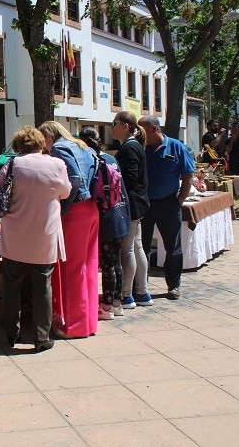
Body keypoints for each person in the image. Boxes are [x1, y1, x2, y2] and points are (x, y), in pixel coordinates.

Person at [0, 126, 71, 352]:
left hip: (14, 236)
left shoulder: (13, 164)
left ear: (19, 145)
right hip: (44, 235)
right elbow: (66, 193)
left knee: (11, 286)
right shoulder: (57, 164)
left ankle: (11, 333)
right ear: (41, 143)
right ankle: (41, 337)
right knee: (43, 284)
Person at [38, 121, 99, 338]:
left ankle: (74, 325)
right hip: (92, 209)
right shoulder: (83, 146)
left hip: (76, 211)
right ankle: (89, 322)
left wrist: (63, 208)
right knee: (88, 266)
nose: (43, 145)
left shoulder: (60, 148)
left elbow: (74, 178)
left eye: (43, 138)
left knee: (72, 269)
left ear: (49, 135)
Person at [137, 116, 194, 299]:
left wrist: (179, 201)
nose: (139, 134)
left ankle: (173, 285)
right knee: (141, 246)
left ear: (154, 129)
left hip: (169, 203)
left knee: (173, 247)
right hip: (145, 205)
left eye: (142, 130)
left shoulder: (176, 147)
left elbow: (188, 175)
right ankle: (140, 286)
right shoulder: (141, 147)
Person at [79, 127, 132, 320]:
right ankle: (117, 302)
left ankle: (107, 306)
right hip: (121, 213)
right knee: (116, 261)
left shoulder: (92, 162)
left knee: (107, 262)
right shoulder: (112, 159)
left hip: (106, 216)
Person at [112, 112, 153, 311]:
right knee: (136, 247)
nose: (112, 127)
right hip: (137, 204)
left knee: (127, 249)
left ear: (126, 126)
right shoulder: (132, 146)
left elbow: (129, 178)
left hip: (132, 205)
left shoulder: (129, 148)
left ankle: (127, 294)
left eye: (115, 123)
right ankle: (142, 291)